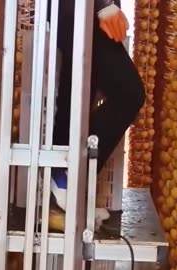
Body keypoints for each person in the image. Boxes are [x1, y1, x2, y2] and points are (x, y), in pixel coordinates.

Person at [50, 0, 146, 212]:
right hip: (79, 9)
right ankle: (67, 173)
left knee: (78, 90)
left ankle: (62, 179)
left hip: (80, 11)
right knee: (129, 93)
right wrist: (102, 5)